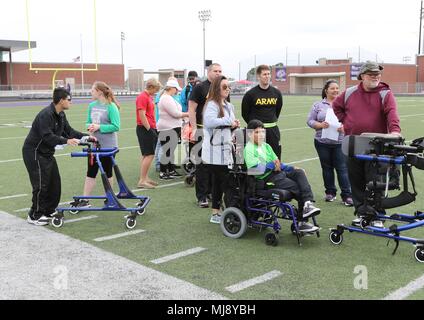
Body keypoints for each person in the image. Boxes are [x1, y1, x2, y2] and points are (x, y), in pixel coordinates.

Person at [333, 61, 401, 227]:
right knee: (356, 180)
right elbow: (336, 106)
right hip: (353, 142)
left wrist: (394, 131)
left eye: (377, 74)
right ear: (362, 76)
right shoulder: (349, 93)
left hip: (376, 144)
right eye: (371, 74)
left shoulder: (385, 93)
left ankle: (377, 215)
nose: (375, 77)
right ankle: (362, 213)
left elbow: (392, 113)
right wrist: (345, 122)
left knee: (375, 180)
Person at [22, 87, 92, 226]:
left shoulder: (60, 114)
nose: (71, 102)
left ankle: (48, 211)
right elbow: (47, 136)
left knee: (55, 183)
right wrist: (66, 141)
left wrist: (87, 137)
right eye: (69, 99)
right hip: (34, 152)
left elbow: (69, 131)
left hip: (47, 153)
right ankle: (35, 215)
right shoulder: (45, 115)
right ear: (61, 101)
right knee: (41, 184)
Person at [244, 120, 320, 233]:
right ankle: (302, 222)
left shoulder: (266, 146)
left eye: (262, 132)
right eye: (257, 132)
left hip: (278, 174)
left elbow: (278, 163)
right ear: (250, 134)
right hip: (267, 180)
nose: (261, 135)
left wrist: (292, 168)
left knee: (299, 173)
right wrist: (271, 165)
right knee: (297, 187)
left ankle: (308, 204)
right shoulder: (248, 149)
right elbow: (254, 170)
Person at [74, 81, 121, 208]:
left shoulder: (111, 106)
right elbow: (88, 122)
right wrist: (89, 127)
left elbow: (116, 126)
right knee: (91, 172)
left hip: (108, 146)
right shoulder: (91, 105)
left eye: (92, 90)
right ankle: (85, 200)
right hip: (94, 146)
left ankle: (110, 198)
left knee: (107, 172)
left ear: (99, 91)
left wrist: (99, 126)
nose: (91, 92)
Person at [307, 80, 353, 206]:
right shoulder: (318, 105)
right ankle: (330, 192)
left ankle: (347, 195)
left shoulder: (344, 104)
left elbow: (352, 121)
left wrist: (345, 127)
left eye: (337, 88)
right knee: (326, 168)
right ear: (326, 90)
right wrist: (320, 125)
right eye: (332, 88)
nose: (335, 90)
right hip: (322, 142)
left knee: (342, 168)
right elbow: (310, 121)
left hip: (339, 142)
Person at [202, 76, 240, 223]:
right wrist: (229, 122)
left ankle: (217, 213)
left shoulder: (229, 106)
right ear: (217, 88)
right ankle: (230, 213)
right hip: (214, 152)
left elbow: (230, 124)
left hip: (226, 150)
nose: (228, 89)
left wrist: (235, 124)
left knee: (220, 182)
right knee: (227, 183)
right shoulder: (212, 104)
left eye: (228, 86)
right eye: (224, 87)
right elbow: (209, 122)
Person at [189, 63, 223, 208]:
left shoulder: (222, 86)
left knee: (215, 165)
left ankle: (211, 192)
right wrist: (194, 128)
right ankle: (201, 196)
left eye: (220, 71)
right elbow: (191, 109)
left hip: (218, 131)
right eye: (215, 71)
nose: (218, 73)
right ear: (209, 72)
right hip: (203, 129)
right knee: (202, 165)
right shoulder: (199, 87)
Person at [242, 64, 283, 159]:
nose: (267, 76)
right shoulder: (250, 94)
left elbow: (278, 110)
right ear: (258, 76)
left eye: (269, 74)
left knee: (275, 157)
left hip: (273, 130)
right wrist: (255, 125)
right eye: (264, 74)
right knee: (257, 159)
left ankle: (276, 174)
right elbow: (245, 113)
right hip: (256, 131)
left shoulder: (276, 93)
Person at [157, 78, 189, 180]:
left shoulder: (168, 97)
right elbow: (175, 113)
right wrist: (188, 114)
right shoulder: (166, 98)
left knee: (170, 151)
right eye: (176, 89)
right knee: (167, 150)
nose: (177, 91)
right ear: (172, 88)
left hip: (172, 127)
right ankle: (163, 172)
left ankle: (170, 170)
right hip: (167, 128)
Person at [136, 78, 162, 189]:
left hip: (149, 127)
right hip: (144, 128)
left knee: (147, 154)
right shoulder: (142, 97)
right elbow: (142, 115)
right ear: (151, 87)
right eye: (155, 89)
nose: (156, 92)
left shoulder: (148, 97)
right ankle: (142, 180)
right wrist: (149, 129)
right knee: (149, 154)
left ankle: (144, 177)